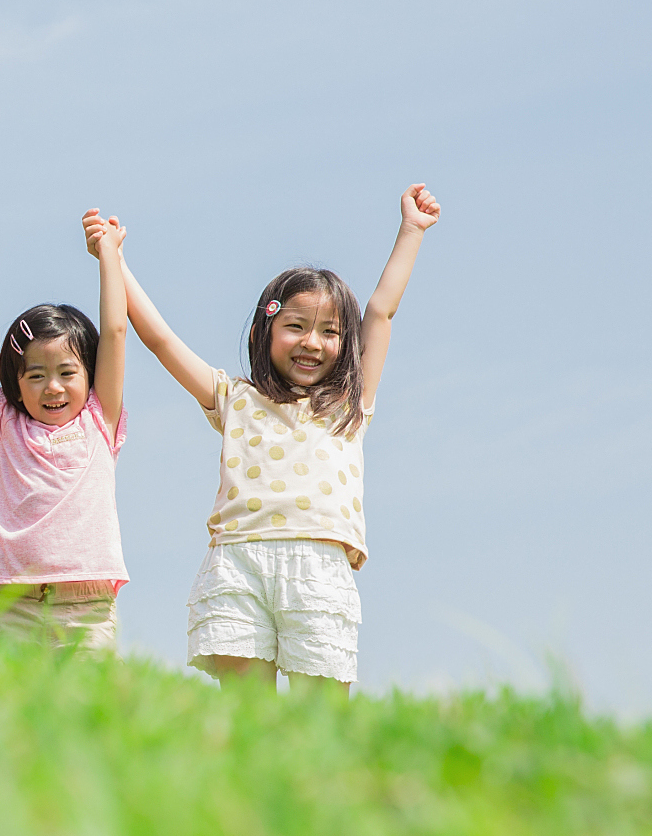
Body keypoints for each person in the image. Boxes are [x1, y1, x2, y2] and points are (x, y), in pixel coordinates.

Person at [90, 183, 442, 693]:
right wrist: (114, 258)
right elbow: (160, 339)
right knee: (245, 713)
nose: (312, 343)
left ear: (346, 346)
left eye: (329, 332)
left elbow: (381, 312)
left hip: (319, 567)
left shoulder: (349, 404)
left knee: (318, 715)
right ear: (263, 333)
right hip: (238, 562)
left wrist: (411, 231)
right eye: (296, 325)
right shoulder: (235, 398)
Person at [0, 212, 130, 650]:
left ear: (89, 374)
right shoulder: (7, 423)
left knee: (92, 712)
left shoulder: (98, 420)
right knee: (6, 708)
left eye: (67, 371)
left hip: (87, 604)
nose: (53, 387)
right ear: (16, 382)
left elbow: (117, 332)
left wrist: (108, 253)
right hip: (17, 604)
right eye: (36, 375)